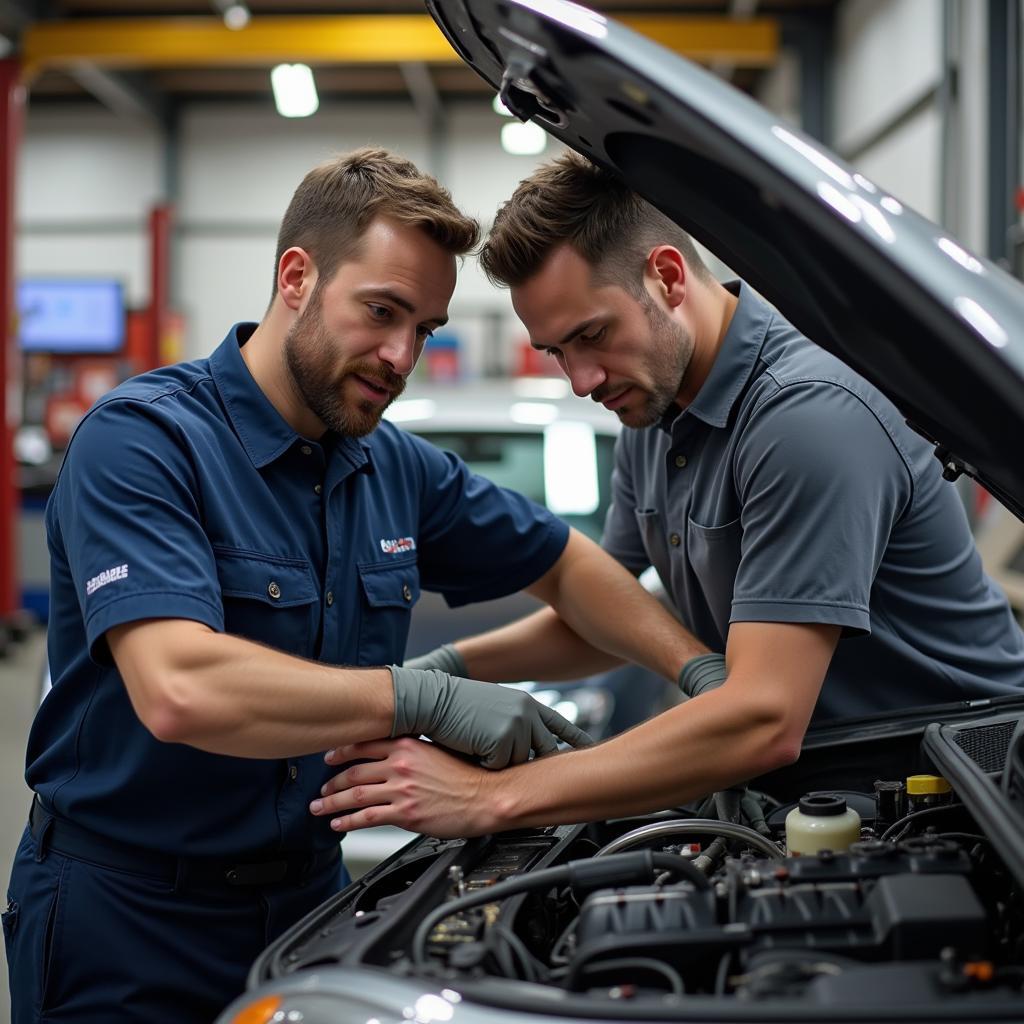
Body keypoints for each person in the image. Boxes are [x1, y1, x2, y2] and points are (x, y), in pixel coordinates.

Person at [4, 148, 706, 1024]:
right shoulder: (145, 444)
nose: (400, 354)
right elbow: (180, 687)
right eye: (381, 311)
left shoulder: (389, 465)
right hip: (132, 915)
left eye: (425, 328)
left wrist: (700, 676)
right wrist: (425, 699)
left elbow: (564, 563)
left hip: (312, 905)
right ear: (296, 277)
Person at [312, 151, 1024, 840]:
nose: (582, 380)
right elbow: (604, 612)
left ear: (667, 276)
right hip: (824, 797)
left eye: (592, 335)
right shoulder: (654, 410)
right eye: (558, 351)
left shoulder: (807, 417)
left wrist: (490, 797)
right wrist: (448, 672)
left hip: (962, 798)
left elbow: (764, 720)